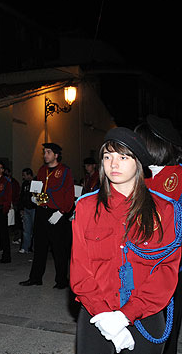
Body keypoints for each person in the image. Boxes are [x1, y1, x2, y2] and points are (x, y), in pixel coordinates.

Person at [71, 127, 180, 354]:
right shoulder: (86, 206)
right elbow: (80, 270)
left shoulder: (164, 209)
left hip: (144, 314)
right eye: (107, 156)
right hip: (96, 313)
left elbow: (165, 271)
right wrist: (103, 316)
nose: (113, 164)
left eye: (123, 157)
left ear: (138, 163)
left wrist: (125, 315)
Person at [135, 114, 182, 354]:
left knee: (167, 324)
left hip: (170, 265)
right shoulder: (150, 177)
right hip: (144, 263)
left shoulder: (174, 179)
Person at [20, 142, 74, 289]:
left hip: (56, 213)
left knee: (58, 249)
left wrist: (62, 212)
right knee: (39, 247)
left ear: (56, 155)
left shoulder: (65, 171)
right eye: (44, 152)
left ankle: (61, 280)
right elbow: (37, 188)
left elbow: (69, 194)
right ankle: (35, 278)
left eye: (48, 152)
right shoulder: (42, 170)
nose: (45, 155)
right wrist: (34, 198)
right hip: (41, 212)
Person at [18, 168, 35, 254]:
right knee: (26, 229)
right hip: (26, 208)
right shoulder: (25, 184)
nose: (23, 177)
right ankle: (26, 247)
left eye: (24, 175)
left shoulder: (36, 182)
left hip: (34, 209)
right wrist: (21, 208)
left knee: (35, 229)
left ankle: (35, 247)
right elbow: (21, 197)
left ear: (29, 175)